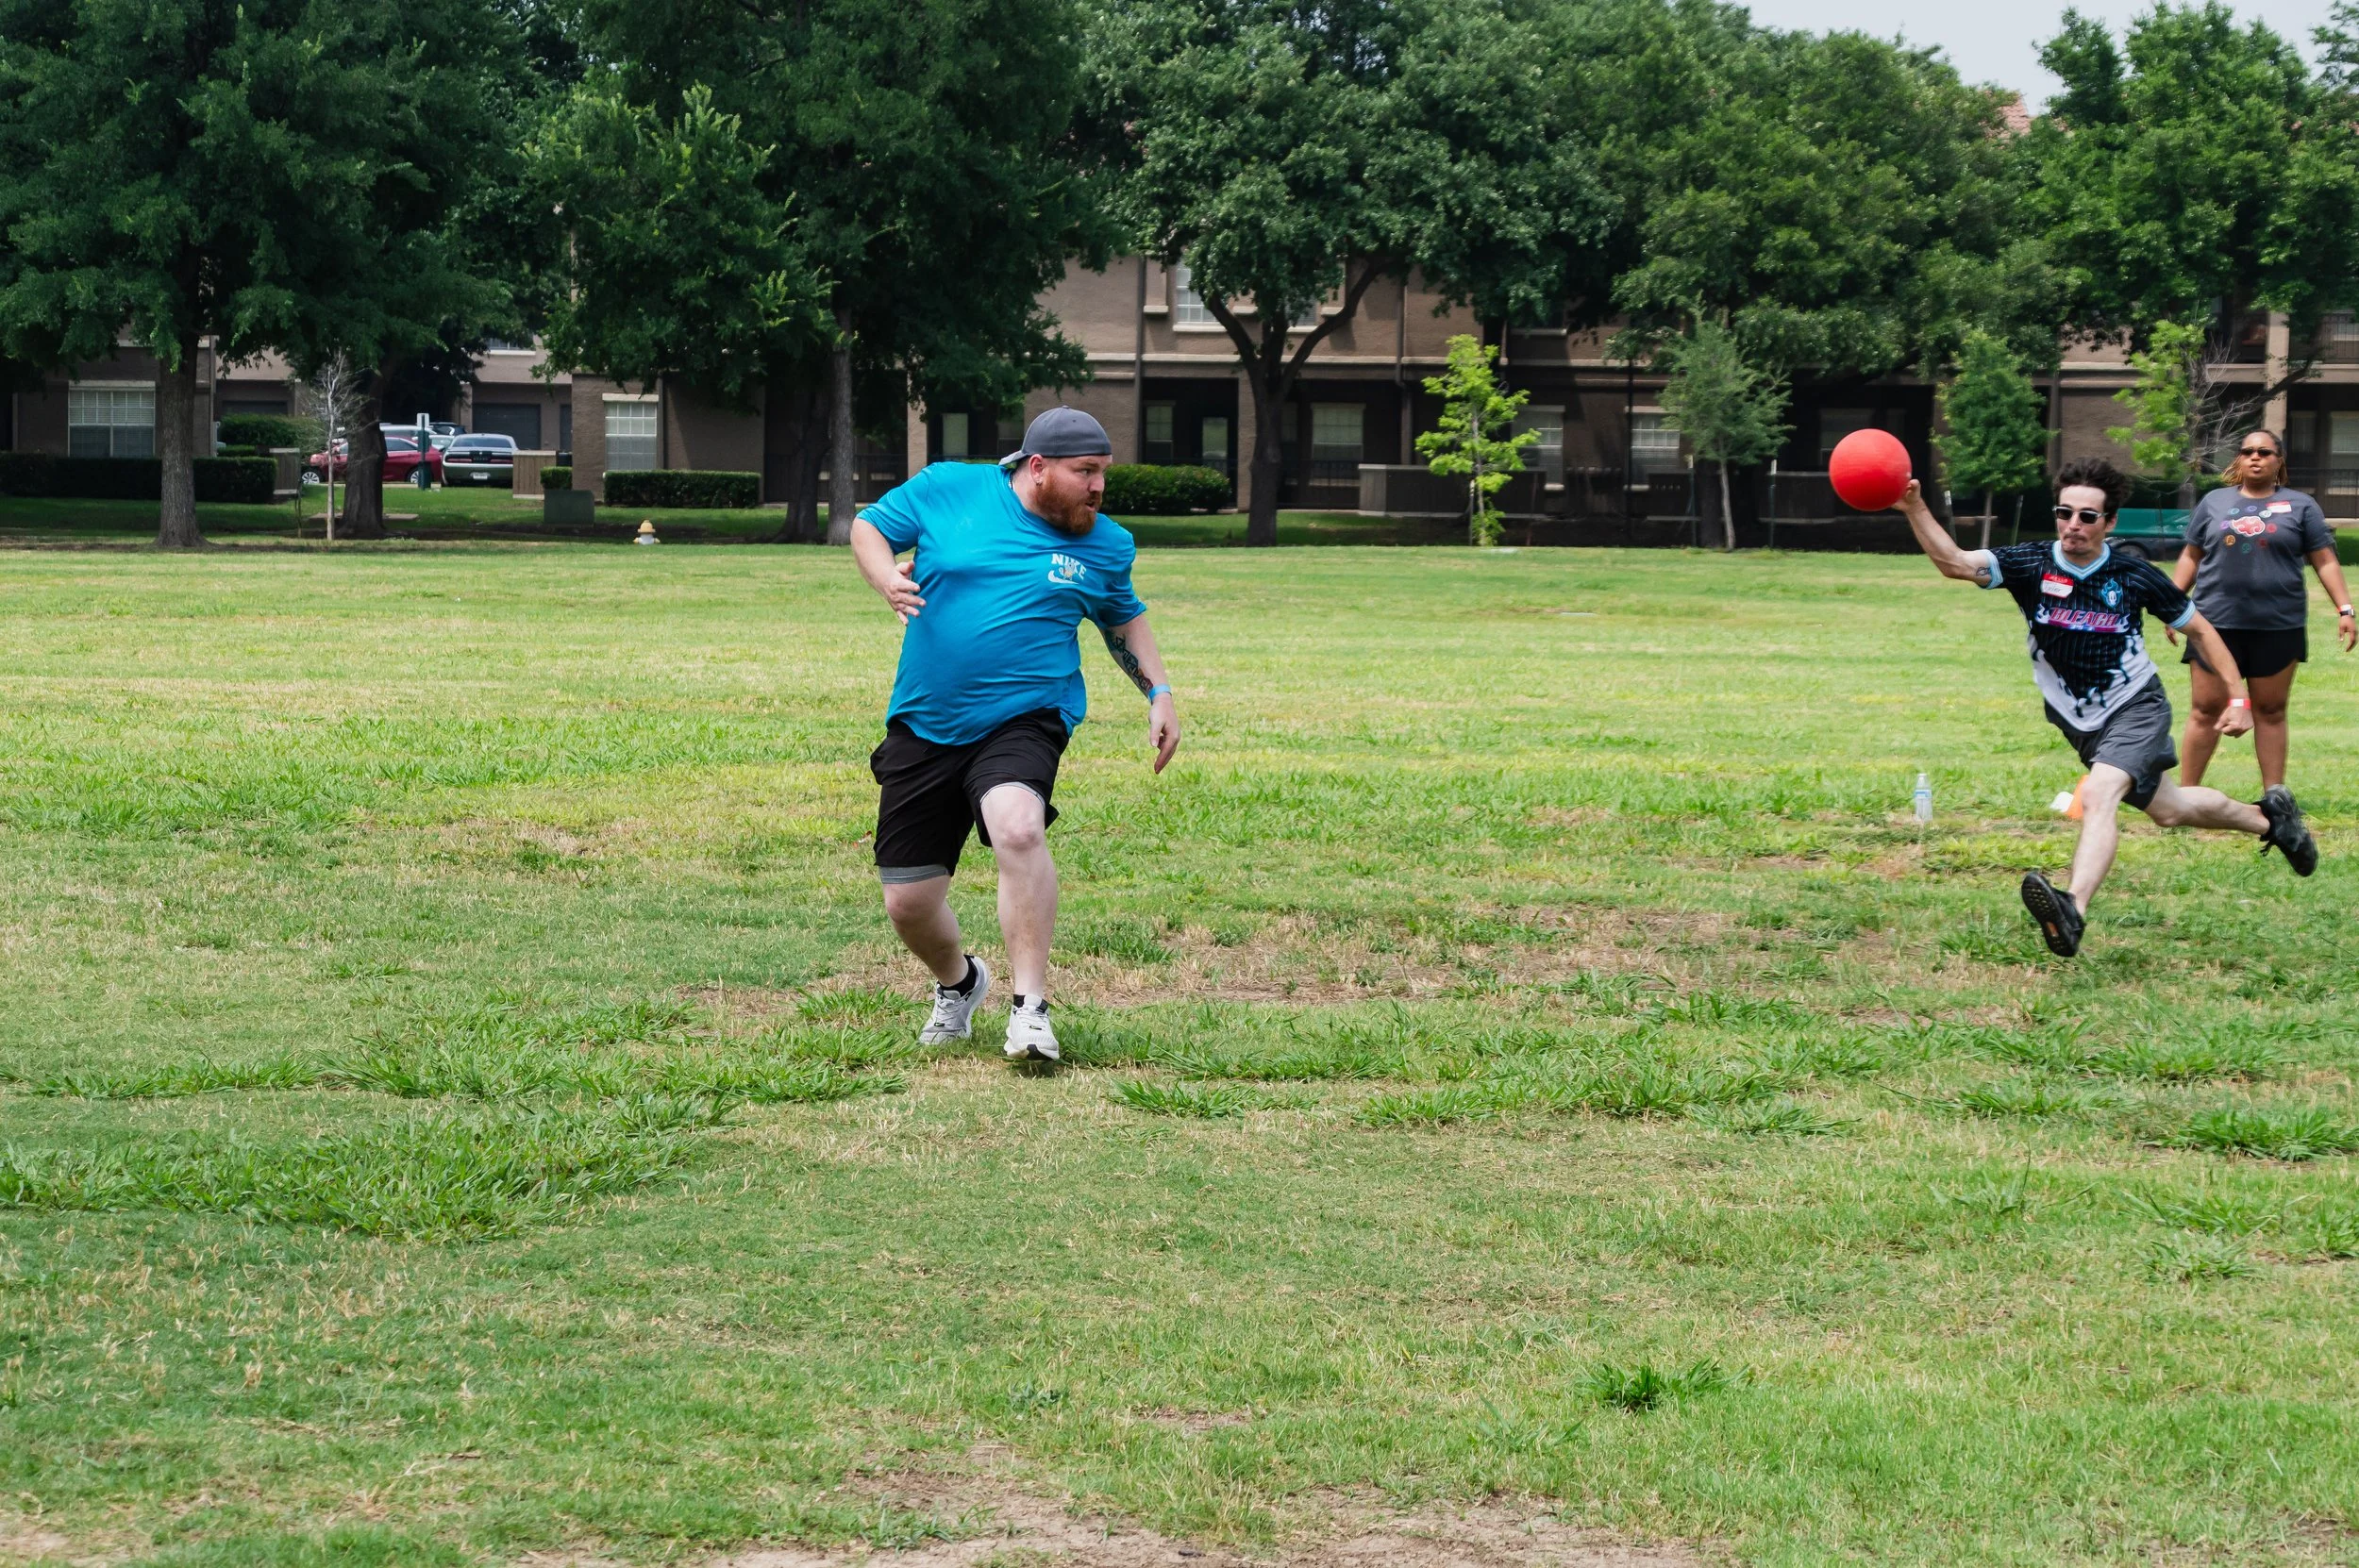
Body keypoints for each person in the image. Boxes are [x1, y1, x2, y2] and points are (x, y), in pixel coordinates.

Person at [850, 408, 1180, 1061]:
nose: (1097, 487)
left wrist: (1159, 692)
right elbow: (869, 526)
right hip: (926, 718)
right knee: (908, 903)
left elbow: (1123, 619)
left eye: (1103, 474)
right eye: (1084, 472)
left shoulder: (1105, 543)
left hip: (1028, 716)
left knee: (1019, 824)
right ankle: (961, 983)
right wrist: (886, 575)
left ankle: (1030, 1011)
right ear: (1036, 468)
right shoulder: (951, 488)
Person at [1898, 458, 2315, 959]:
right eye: (2065, 513)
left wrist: (2240, 698)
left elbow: (2201, 629)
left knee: (2099, 795)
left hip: (2135, 705)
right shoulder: (2032, 563)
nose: (2074, 525)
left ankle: (2072, 908)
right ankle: (2274, 823)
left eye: (2088, 516)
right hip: (2079, 720)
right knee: (2170, 809)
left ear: (2109, 522)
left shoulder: (2133, 574)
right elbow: (1956, 563)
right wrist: (1914, 505)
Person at [2169, 428, 2355, 807]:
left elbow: (2325, 560)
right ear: (2239, 459)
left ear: (2278, 461)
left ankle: (2275, 798)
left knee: (2271, 710)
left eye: (2265, 452)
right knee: (2205, 710)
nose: (2255, 457)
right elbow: (2191, 556)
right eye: (2248, 451)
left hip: (2278, 624)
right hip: (2213, 625)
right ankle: (2186, 799)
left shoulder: (2301, 506)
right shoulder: (2214, 502)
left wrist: (2346, 609)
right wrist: (2173, 605)